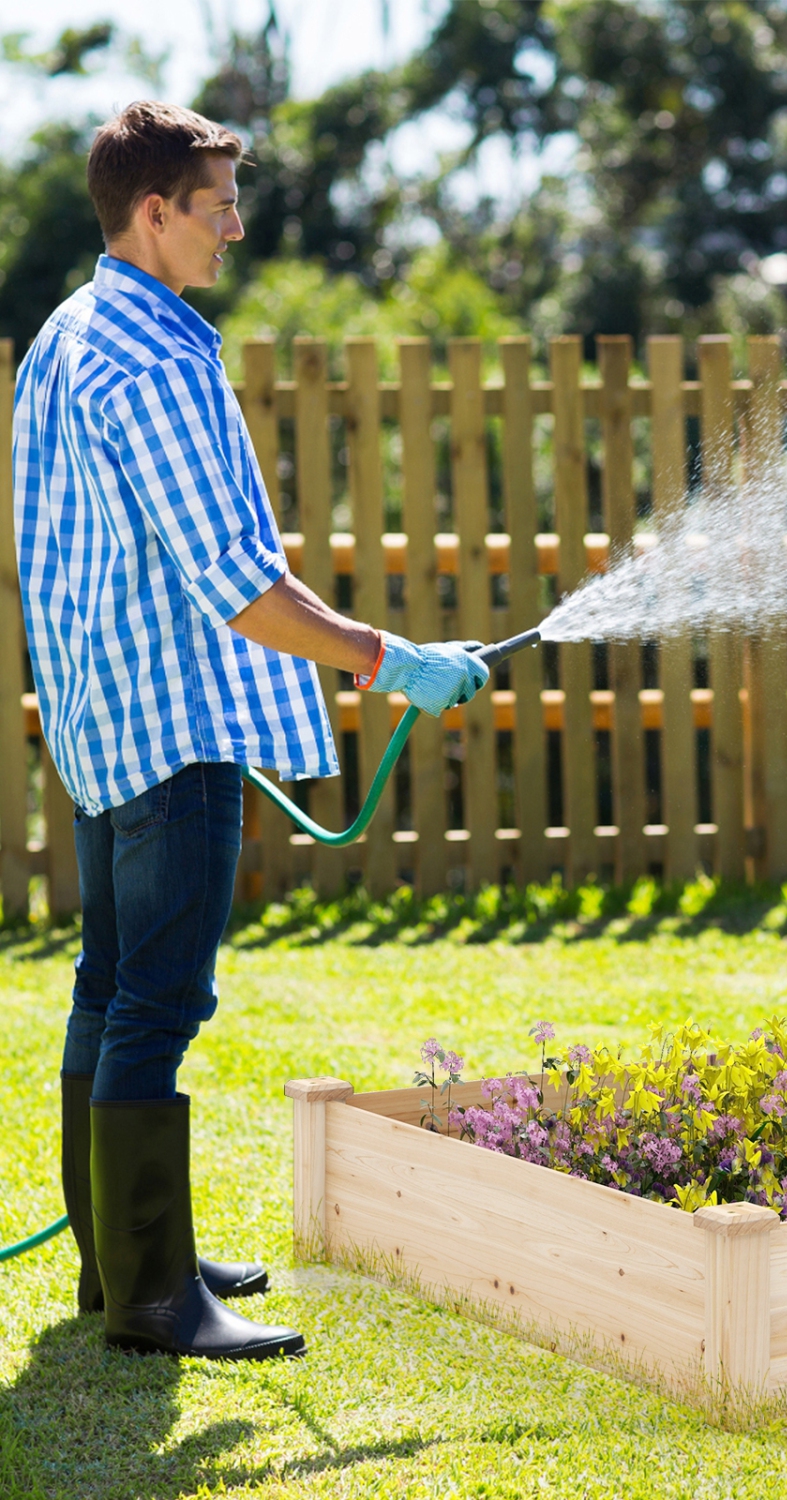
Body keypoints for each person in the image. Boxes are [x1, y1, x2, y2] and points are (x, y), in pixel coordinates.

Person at [11, 100, 490, 1361]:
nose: (236, 225)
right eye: (216, 203)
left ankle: (121, 1267)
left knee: (109, 988)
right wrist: (393, 661)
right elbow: (239, 585)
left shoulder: (70, 331)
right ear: (152, 211)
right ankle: (158, 1302)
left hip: (99, 720)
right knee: (158, 1003)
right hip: (169, 727)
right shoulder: (155, 358)